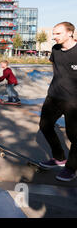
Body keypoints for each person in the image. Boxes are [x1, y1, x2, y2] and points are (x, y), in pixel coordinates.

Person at [38, 22, 77, 182]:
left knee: (74, 136)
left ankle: (71, 168)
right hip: (53, 96)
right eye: (53, 33)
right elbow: (56, 68)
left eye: (58, 33)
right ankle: (59, 157)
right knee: (44, 126)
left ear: (70, 33)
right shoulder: (55, 50)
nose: (54, 37)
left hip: (74, 101)